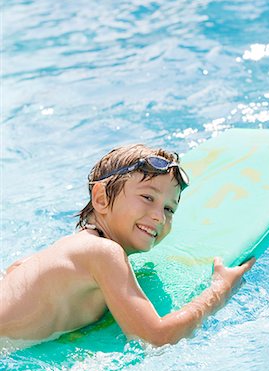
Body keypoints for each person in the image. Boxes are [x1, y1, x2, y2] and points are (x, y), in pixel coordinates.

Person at [0, 144, 255, 346]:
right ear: (101, 199)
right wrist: (219, 291)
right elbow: (156, 338)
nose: (159, 216)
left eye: (169, 208)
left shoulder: (69, 250)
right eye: (147, 197)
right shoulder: (103, 252)